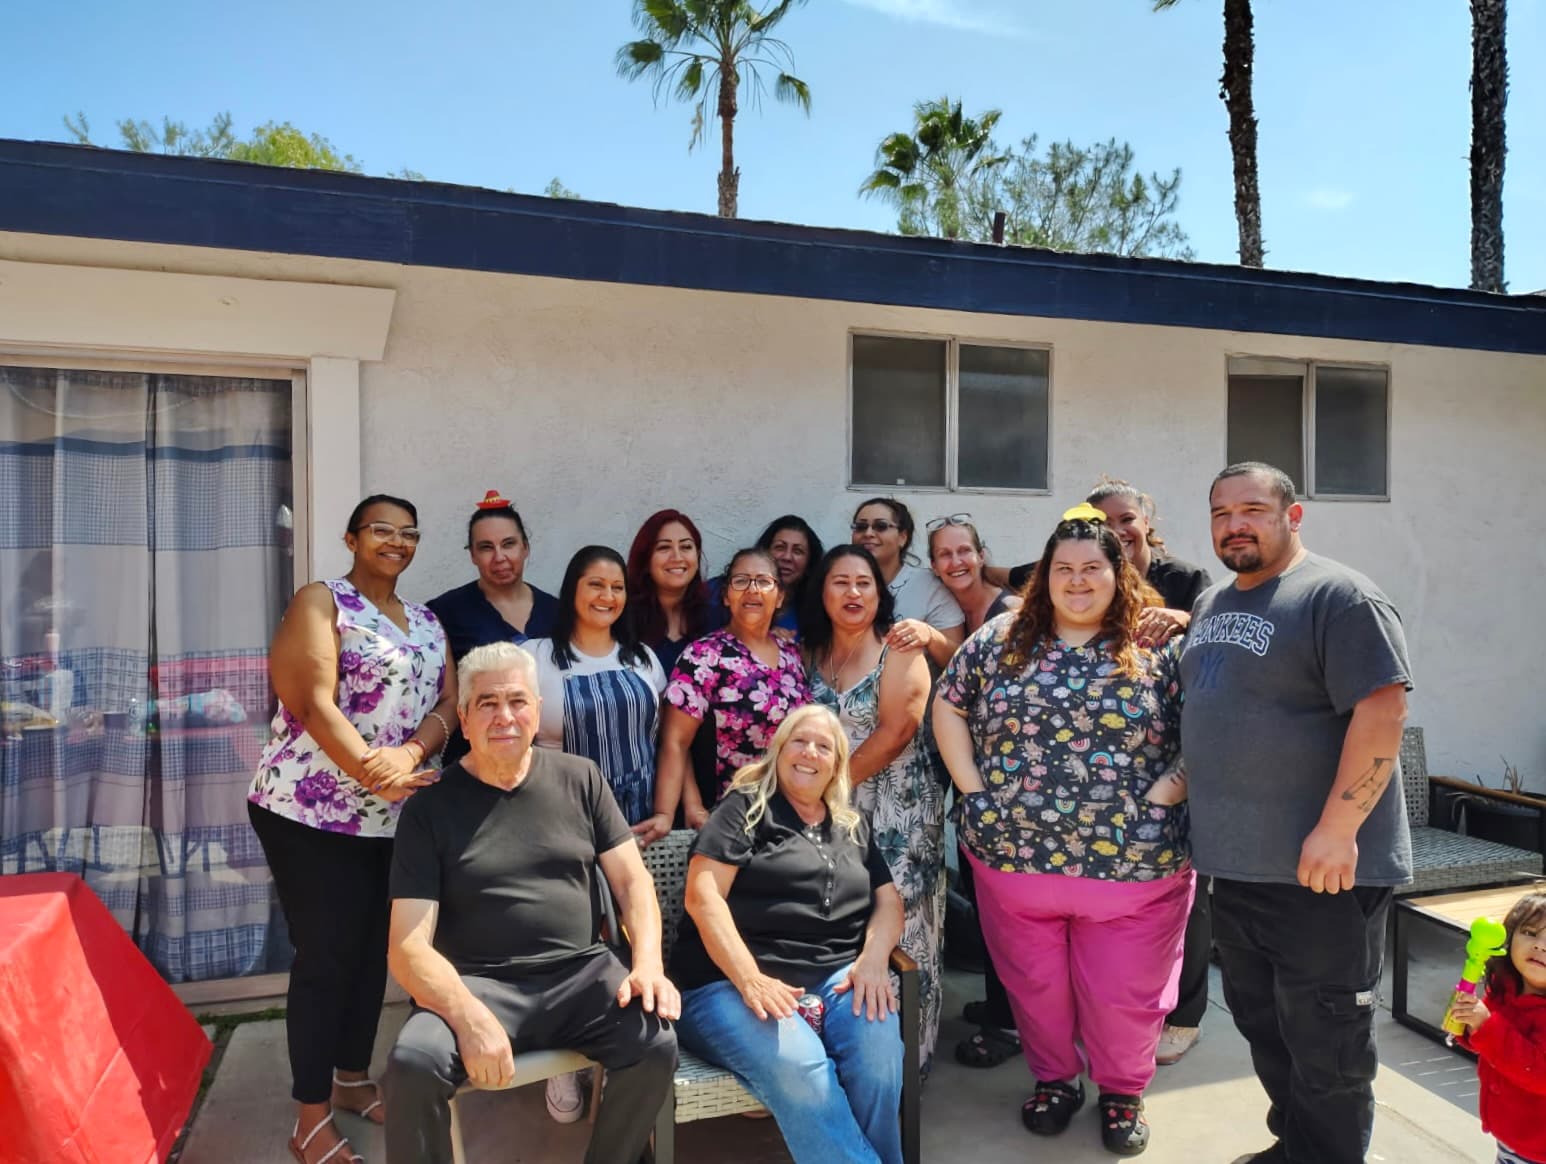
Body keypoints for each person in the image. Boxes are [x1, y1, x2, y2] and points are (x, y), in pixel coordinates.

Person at [934, 504, 1194, 1157]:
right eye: (1063, 569)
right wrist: (974, 791)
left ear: (1118, 574)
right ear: (1044, 576)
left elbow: (1210, 725)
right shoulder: (1000, 639)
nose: (1077, 580)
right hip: (1014, 858)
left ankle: (1122, 1092)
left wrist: (1166, 793)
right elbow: (949, 704)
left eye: (1092, 567)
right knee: (1036, 988)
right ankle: (1055, 1081)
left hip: (1134, 866)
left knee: (1123, 994)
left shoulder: (1157, 645)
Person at [1179, 462, 1413, 1164]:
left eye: (1252, 509)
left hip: (1323, 876)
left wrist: (1339, 829)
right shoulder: (1210, 604)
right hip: (1237, 869)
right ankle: (1297, 1148)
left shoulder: (1339, 596)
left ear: (1293, 516)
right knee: (1265, 1026)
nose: (1235, 525)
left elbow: (1383, 711)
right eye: (1221, 513)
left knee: (1328, 1044)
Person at [382, 642, 678, 1164]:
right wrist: (468, 1017)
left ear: (537, 711)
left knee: (654, 1042)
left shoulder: (580, 777)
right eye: (487, 703)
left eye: (517, 700)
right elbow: (407, 948)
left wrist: (648, 964)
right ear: (465, 720)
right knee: (412, 1064)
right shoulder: (429, 809)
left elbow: (633, 883)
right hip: (477, 985)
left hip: (580, 974)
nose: (505, 716)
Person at [249, 494, 456, 1164]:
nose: (396, 542)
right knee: (326, 957)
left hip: (392, 815)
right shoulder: (323, 601)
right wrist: (373, 769)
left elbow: (449, 700)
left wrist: (413, 754)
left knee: (374, 954)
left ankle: (351, 1079)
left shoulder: (427, 621)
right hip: (308, 810)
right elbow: (311, 701)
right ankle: (309, 1118)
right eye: (381, 530)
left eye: (408, 533)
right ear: (351, 538)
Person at [671, 704, 906, 1164]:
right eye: (799, 741)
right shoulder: (744, 808)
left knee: (879, 1062)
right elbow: (703, 897)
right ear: (779, 751)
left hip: (837, 981)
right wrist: (750, 979)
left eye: (824, 746)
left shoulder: (851, 825)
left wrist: (874, 960)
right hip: (727, 985)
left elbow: (889, 902)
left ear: (837, 764)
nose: (810, 752)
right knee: (803, 1070)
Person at [1082, 479, 1214, 1065]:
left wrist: (1181, 617)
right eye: (1102, 522)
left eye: (1126, 519)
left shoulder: (1184, 579)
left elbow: (1218, 632)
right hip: (1114, 775)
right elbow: (1018, 580)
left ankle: (1184, 1015)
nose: (1117, 531)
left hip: (1180, 760)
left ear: (1146, 522)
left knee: (1189, 895)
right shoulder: (1087, 575)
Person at [803, 546, 939, 1071]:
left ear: (880, 594)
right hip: (830, 814)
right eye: (840, 582)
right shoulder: (810, 652)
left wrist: (830, 789)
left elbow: (898, 730)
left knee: (901, 931)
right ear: (821, 593)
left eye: (864, 582)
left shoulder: (898, 647)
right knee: (842, 923)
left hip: (896, 812)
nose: (853, 592)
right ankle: (852, 1057)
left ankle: (905, 1067)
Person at [925, 515, 1023, 1070]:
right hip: (976, 785)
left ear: (982, 554)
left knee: (1006, 912)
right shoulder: (956, 618)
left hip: (1008, 790)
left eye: (965, 551)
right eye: (945, 554)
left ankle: (1010, 1024)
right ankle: (1002, 1005)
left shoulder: (1008, 612)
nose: (956, 562)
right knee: (988, 907)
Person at [638, 547, 812, 845]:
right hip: (730, 820)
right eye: (741, 581)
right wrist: (674, 810)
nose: (752, 589)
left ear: (780, 596)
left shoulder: (792, 655)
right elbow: (675, 741)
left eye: (763, 581)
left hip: (791, 816)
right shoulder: (703, 657)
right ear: (726, 596)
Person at [524, 545, 667, 826]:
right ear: (572, 590)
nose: (608, 596)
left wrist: (665, 812)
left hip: (641, 822)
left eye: (618, 587)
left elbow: (667, 743)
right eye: (596, 585)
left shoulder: (643, 657)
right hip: (563, 821)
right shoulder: (533, 656)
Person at [1452, 891, 1546, 1164]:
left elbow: (1539, 1073)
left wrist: (1485, 1024)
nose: (1540, 946)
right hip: (1514, 1137)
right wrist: (1468, 1023)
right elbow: (1489, 1042)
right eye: (1529, 933)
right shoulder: (1505, 988)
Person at [427, 491, 558, 660]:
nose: (499, 557)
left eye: (508, 544)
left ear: (525, 548)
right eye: (486, 547)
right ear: (473, 555)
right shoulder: (444, 613)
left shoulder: (557, 611)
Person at [850, 498, 963, 667]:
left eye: (881, 526)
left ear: (902, 537)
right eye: (861, 527)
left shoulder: (929, 586)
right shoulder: (840, 582)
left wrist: (929, 636)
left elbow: (959, 661)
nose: (868, 533)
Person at [625, 509, 715, 679]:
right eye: (664, 547)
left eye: (686, 547)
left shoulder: (715, 617)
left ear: (697, 555)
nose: (677, 557)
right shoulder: (623, 619)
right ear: (646, 559)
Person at [756, 515, 824, 634]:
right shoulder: (734, 594)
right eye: (780, 547)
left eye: (797, 551)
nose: (787, 557)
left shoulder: (815, 612)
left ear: (809, 563)